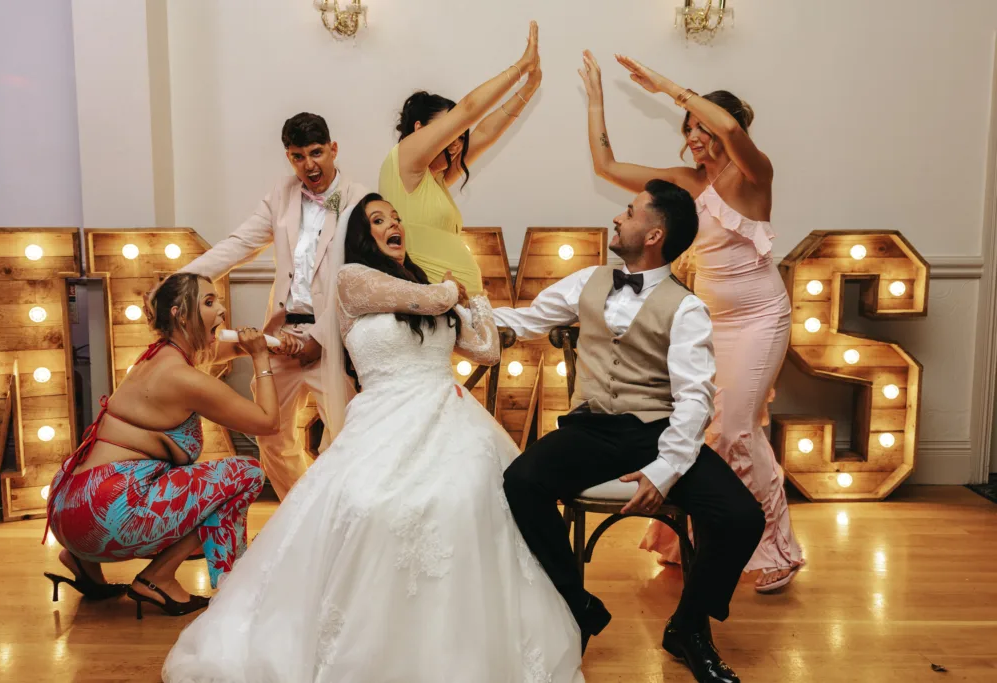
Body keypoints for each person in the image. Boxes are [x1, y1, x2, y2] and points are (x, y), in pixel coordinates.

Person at [160, 194, 583, 683]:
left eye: (396, 218)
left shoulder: (425, 285)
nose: (393, 225)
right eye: (379, 220)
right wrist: (451, 291)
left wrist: (478, 298)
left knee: (468, 499)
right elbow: (432, 301)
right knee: (369, 506)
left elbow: (486, 348)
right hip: (383, 418)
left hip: (449, 417)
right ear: (363, 237)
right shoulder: (353, 280)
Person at [494, 180, 765, 683]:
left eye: (630, 211)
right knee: (521, 482)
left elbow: (693, 401)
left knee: (741, 517)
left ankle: (688, 627)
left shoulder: (686, 308)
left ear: (654, 233)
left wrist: (663, 471)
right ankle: (577, 606)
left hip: (658, 432)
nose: (618, 218)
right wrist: (452, 309)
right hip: (591, 430)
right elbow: (525, 320)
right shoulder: (587, 280)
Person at [578, 51, 803, 593]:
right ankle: (686, 540)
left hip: (759, 317)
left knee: (736, 429)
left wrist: (665, 84)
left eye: (702, 128)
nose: (696, 137)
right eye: (689, 130)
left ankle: (777, 550)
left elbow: (726, 122)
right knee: (707, 429)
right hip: (710, 321)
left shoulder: (755, 175)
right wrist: (596, 103)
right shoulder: (684, 182)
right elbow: (606, 167)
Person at [43, 273, 277, 619]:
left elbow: (217, 353)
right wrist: (261, 359)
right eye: (210, 302)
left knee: (165, 479)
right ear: (180, 314)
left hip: (67, 509)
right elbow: (267, 422)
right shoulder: (183, 379)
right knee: (246, 473)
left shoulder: (155, 357)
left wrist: (267, 343)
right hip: (104, 515)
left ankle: (84, 563)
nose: (223, 310)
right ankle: (157, 578)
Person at [179, 112, 367, 500]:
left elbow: (358, 279)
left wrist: (321, 336)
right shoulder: (281, 196)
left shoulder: (359, 201)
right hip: (281, 335)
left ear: (333, 149)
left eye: (316, 153)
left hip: (335, 337)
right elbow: (238, 244)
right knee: (271, 435)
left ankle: (339, 516)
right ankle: (302, 514)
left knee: (346, 437)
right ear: (289, 158)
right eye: (298, 156)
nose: (309, 165)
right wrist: (178, 281)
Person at [378, 21, 542, 293]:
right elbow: (469, 109)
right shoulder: (405, 161)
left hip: (461, 306)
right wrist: (521, 66)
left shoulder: (437, 178)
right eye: (448, 132)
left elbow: (486, 133)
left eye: (459, 135)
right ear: (419, 130)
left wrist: (529, 88)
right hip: (428, 306)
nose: (457, 143)